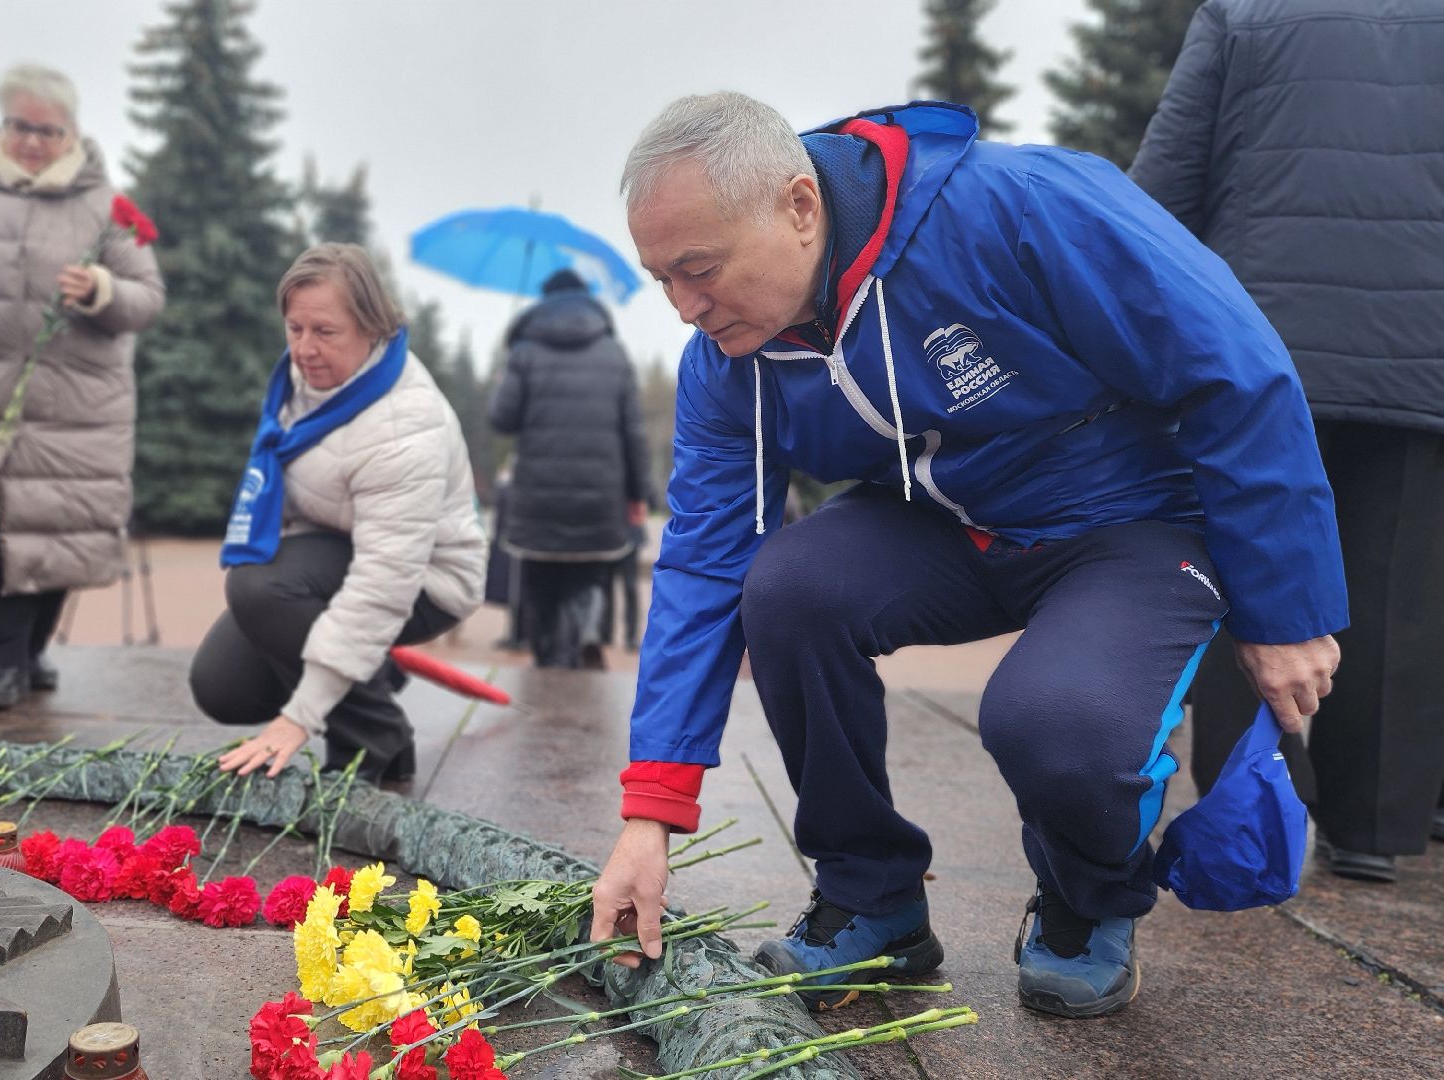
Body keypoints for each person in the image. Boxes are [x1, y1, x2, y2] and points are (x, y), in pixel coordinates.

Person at [588, 93, 1346, 1020]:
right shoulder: (729, 361)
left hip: (1129, 522)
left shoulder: (1021, 207)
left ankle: (1087, 897)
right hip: (944, 523)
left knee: (1052, 721)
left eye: (700, 271)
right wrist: (652, 810)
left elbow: (1236, 369)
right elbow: (706, 560)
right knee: (784, 588)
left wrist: (1286, 609)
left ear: (799, 206)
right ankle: (872, 897)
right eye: (661, 279)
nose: (684, 309)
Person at [1131, 0, 1444, 884]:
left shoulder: (1247, 12)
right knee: (1401, 584)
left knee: (1251, 562)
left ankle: (1251, 818)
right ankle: (1373, 827)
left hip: (1257, 346)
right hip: (1423, 346)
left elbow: (1164, 184)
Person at [0, 64, 165, 712]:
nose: (31, 141)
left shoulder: (105, 205)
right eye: (20, 125)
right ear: (2, 122)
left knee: (57, 530)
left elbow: (147, 297)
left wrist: (102, 290)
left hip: (78, 405)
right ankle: (0, 665)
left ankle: (31, 651)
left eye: (48, 130)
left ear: (71, 132)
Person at [191, 243, 486, 784]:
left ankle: (376, 740)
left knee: (259, 587)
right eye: (294, 328)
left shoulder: (403, 426)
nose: (304, 349)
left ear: (373, 328)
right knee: (223, 688)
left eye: (325, 332)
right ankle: (369, 671)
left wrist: (299, 717)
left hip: (426, 579)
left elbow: (384, 581)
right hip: (335, 549)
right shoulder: (300, 381)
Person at [489, 269, 651, 669]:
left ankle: (548, 661)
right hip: (600, 497)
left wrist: (503, 378)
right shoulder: (614, 354)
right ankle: (584, 635)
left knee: (541, 584)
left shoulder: (524, 352)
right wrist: (638, 495)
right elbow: (633, 433)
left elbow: (502, 420)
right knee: (589, 576)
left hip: (538, 497)